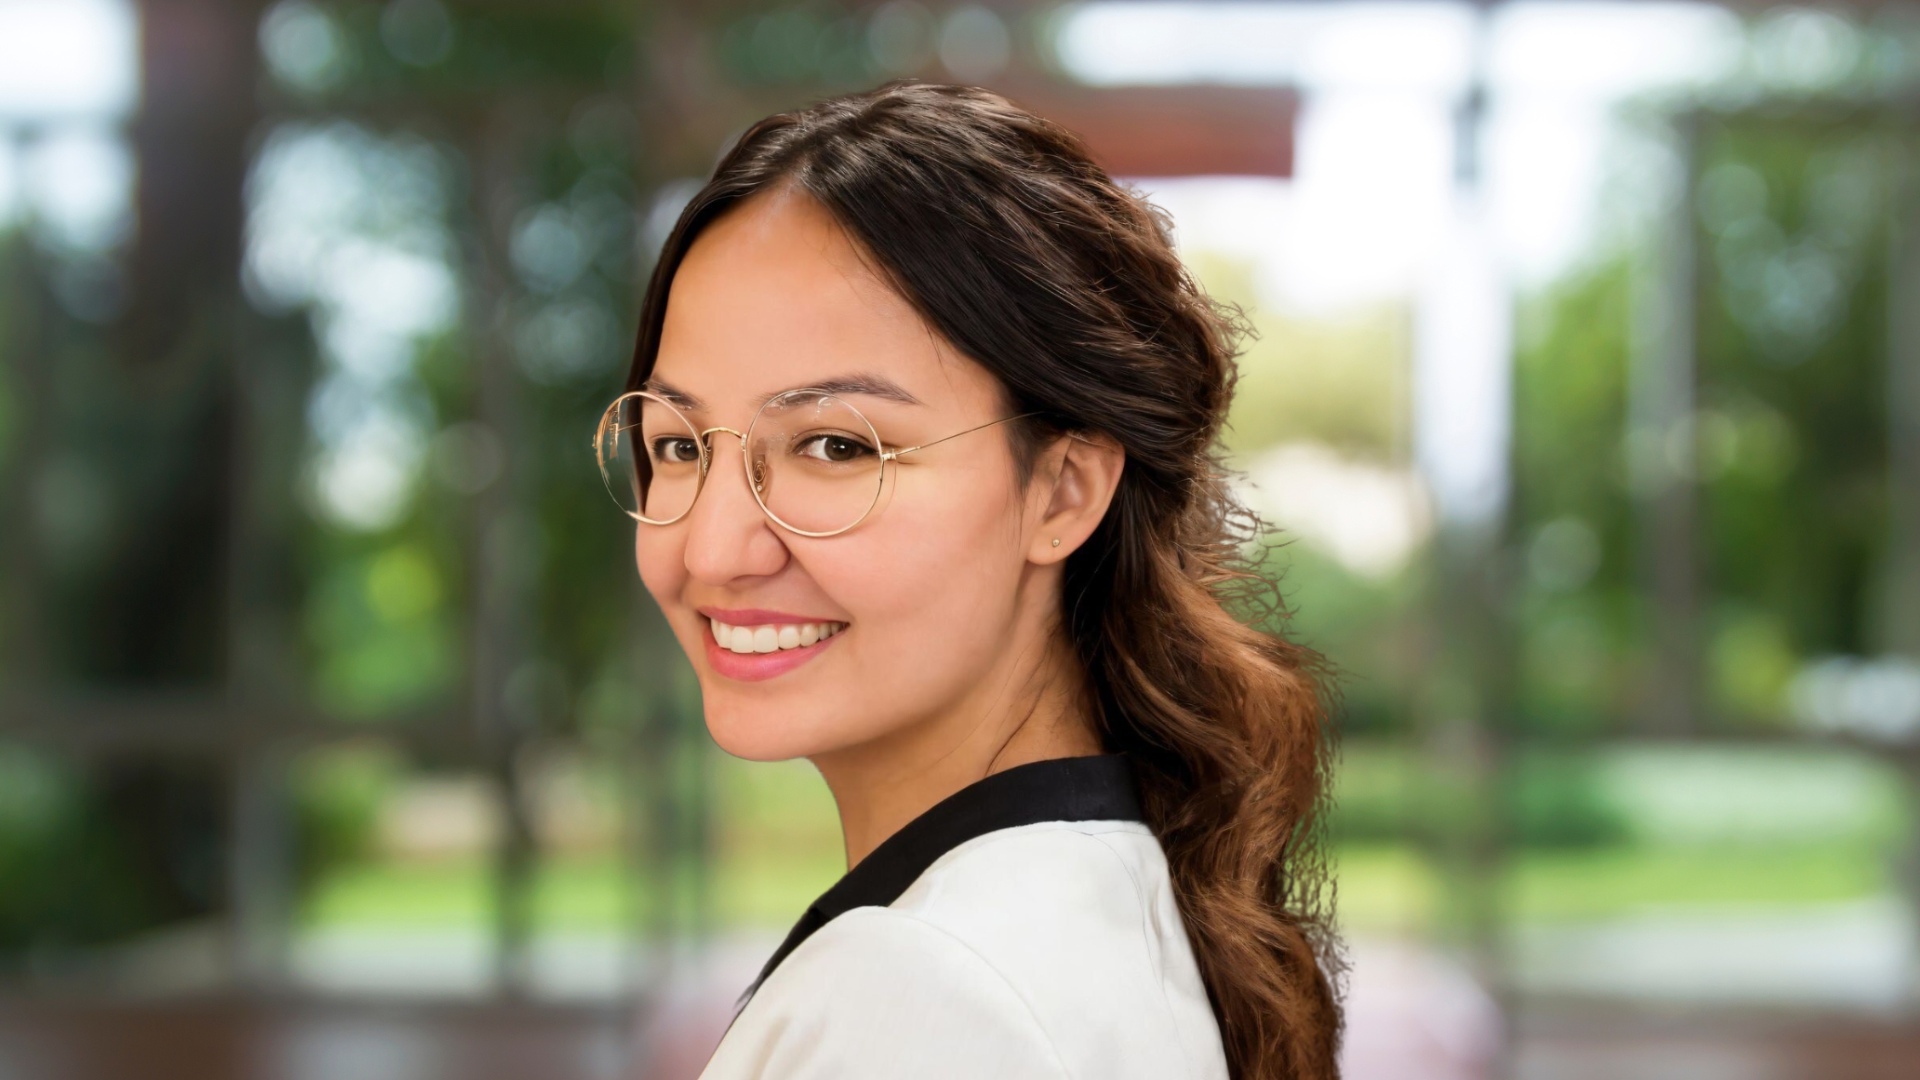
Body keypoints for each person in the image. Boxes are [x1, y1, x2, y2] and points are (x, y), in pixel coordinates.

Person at [595, 79, 1344, 1080]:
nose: (714, 548)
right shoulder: (1075, 914)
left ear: (1063, 489)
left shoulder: (926, 991)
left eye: (833, 445)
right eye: (680, 445)